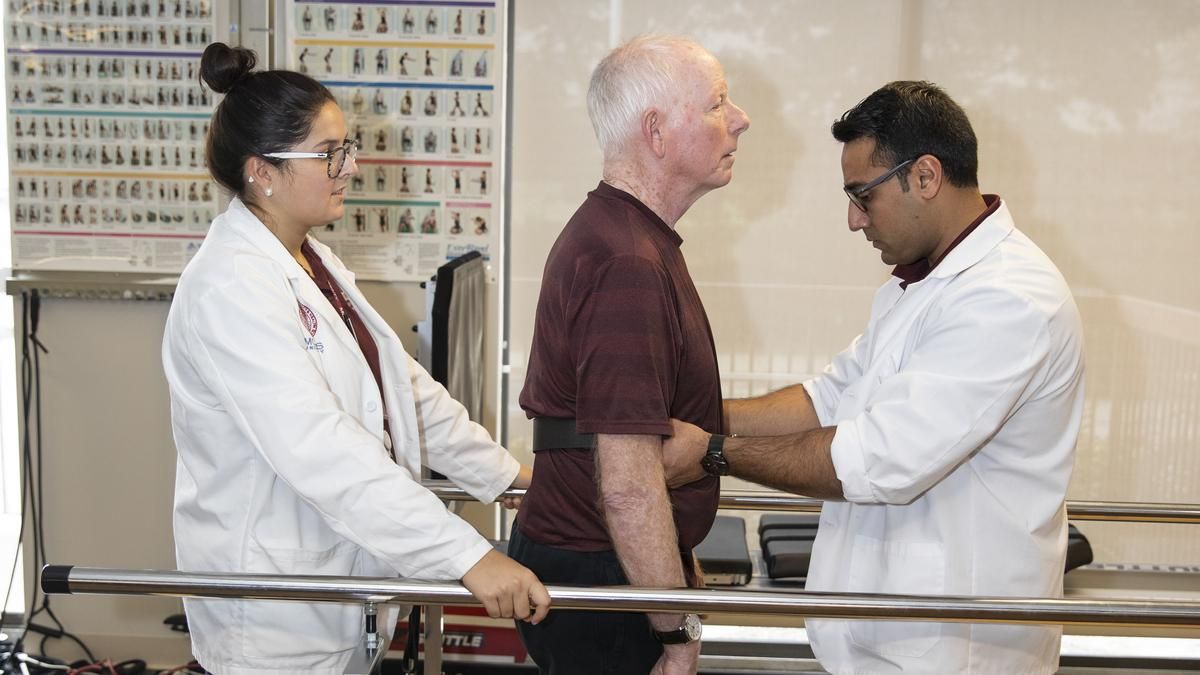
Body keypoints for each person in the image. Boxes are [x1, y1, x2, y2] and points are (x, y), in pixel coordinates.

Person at [664, 81, 1085, 674]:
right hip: (886, 638)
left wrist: (710, 452)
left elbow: (881, 458)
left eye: (863, 195)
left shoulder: (1009, 299)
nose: (853, 219)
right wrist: (693, 416)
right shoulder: (916, 286)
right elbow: (827, 400)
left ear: (926, 176)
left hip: (953, 649)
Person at [164, 43, 550, 674]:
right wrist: (466, 556)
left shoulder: (312, 262)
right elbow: (317, 447)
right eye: (328, 154)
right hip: (275, 619)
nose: (347, 168)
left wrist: (508, 479)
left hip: (342, 589)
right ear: (262, 171)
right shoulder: (228, 288)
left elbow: (403, 392)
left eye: (346, 149)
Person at [512, 35, 750, 675]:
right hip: (601, 579)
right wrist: (679, 632)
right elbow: (626, 485)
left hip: (607, 566)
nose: (739, 119)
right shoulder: (626, 260)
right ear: (658, 132)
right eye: (717, 104)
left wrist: (673, 558)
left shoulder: (630, 240)